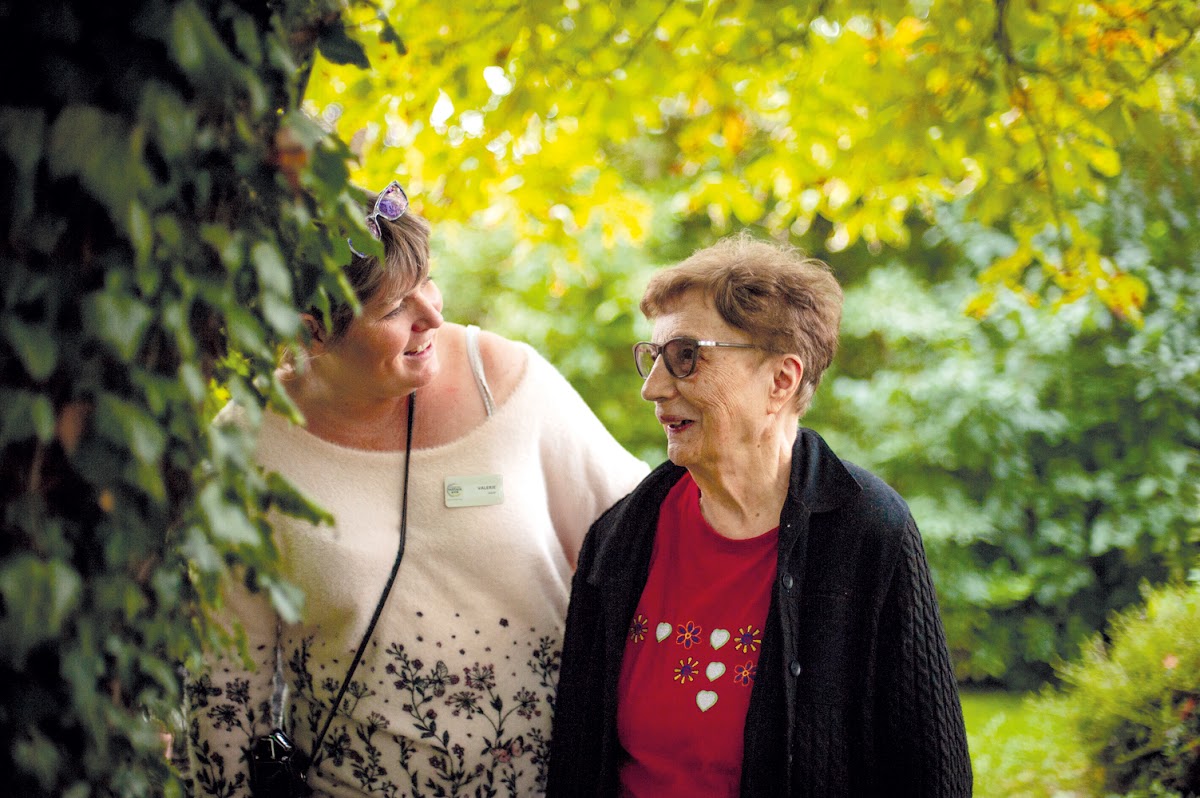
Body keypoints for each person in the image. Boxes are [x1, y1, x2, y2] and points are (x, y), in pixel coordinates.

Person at [186, 181, 649, 797]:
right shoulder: (247, 447)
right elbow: (224, 684)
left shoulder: (506, 382)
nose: (432, 314)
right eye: (394, 308)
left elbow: (648, 548)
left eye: (426, 281)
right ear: (310, 334)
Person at [547, 233, 972, 797]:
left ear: (780, 381)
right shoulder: (621, 539)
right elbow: (577, 760)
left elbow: (932, 777)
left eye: (685, 357)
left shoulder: (868, 533)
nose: (652, 388)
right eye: (651, 358)